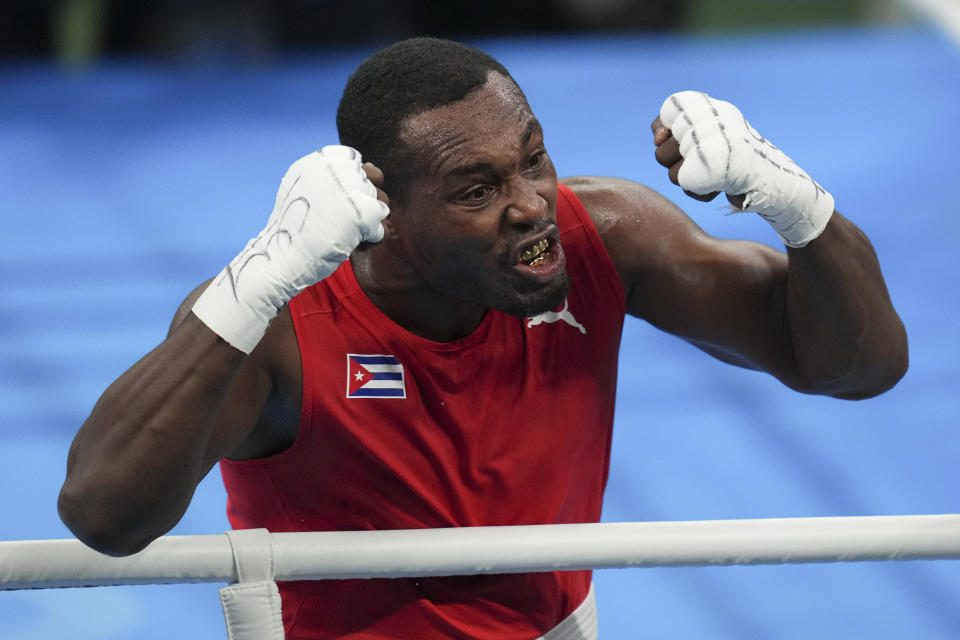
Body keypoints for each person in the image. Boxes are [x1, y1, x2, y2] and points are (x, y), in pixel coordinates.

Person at [58, 37, 908, 639]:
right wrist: (252, 283)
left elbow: (859, 367)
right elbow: (105, 517)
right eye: (478, 188)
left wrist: (801, 208)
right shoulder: (278, 320)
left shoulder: (600, 237)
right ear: (384, 208)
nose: (531, 203)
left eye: (532, 158)